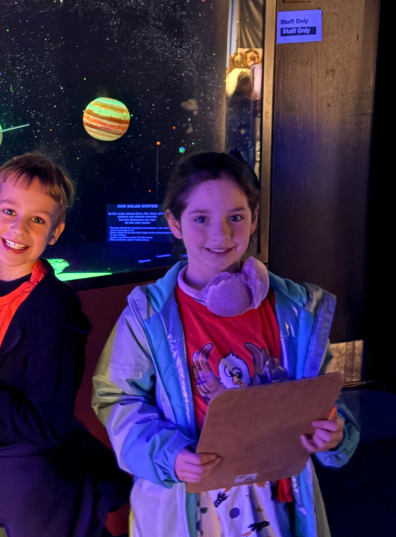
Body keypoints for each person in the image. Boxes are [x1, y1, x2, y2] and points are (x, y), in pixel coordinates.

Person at [92, 152, 359, 537]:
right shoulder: (148, 315)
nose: (220, 235)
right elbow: (117, 398)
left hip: (276, 497)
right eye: (201, 219)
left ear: (253, 219)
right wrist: (169, 454)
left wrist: (333, 432)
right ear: (174, 223)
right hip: (187, 502)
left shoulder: (296, 310)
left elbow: (325, 397)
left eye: (235, 217)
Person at [0, 152, 129, 537]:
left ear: (55, 232)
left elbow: (47, 427)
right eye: (9, 211)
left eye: (37, 220)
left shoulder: (54, 311)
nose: (19, 229)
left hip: (20, 468)